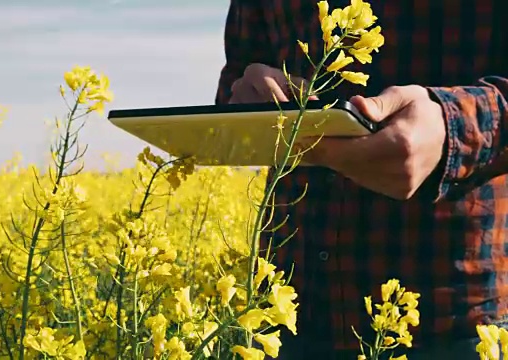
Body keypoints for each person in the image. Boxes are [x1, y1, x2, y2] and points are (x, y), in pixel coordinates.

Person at [215, 0, 508, 359]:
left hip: (452, 316)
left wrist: (454, 128)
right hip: (287, 307)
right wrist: (247, 100)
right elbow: (237, 78)